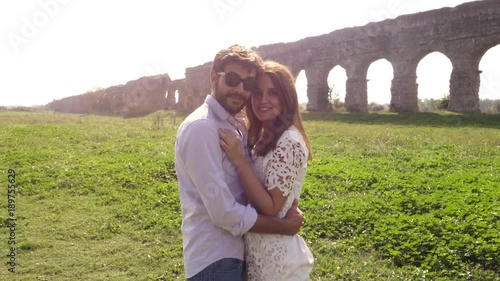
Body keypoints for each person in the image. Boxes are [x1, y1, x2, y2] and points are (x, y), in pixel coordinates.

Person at [174, 45, 305, 281]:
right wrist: (284, 227)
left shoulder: (235, 124)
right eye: (232, 79)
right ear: (214, 77)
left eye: (248, 84)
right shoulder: (202, 128)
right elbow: (223, 212)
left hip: (238, 255)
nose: (239, 89)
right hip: (215, 258)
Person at [218, 60, 314, 280]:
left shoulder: (289, 140)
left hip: (276, 262)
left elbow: (271, 207)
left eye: (273, 93)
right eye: (257, 92)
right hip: (259, 254)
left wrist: (239, 160)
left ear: (286, 97)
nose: (263, 100)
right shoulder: (263, 135)